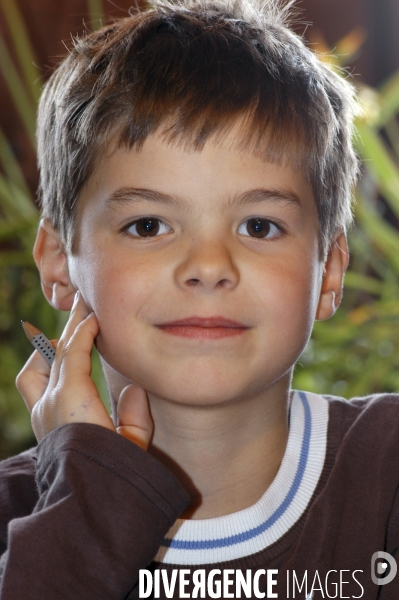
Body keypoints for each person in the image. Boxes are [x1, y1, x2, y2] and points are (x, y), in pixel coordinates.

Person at [0, 0, 398, 597]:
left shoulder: (388, 472)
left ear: (331, 270)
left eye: (259, 226)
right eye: (148, 226)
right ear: (60, 262)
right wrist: (88, 494)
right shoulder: (11, 519)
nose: (209, 268)